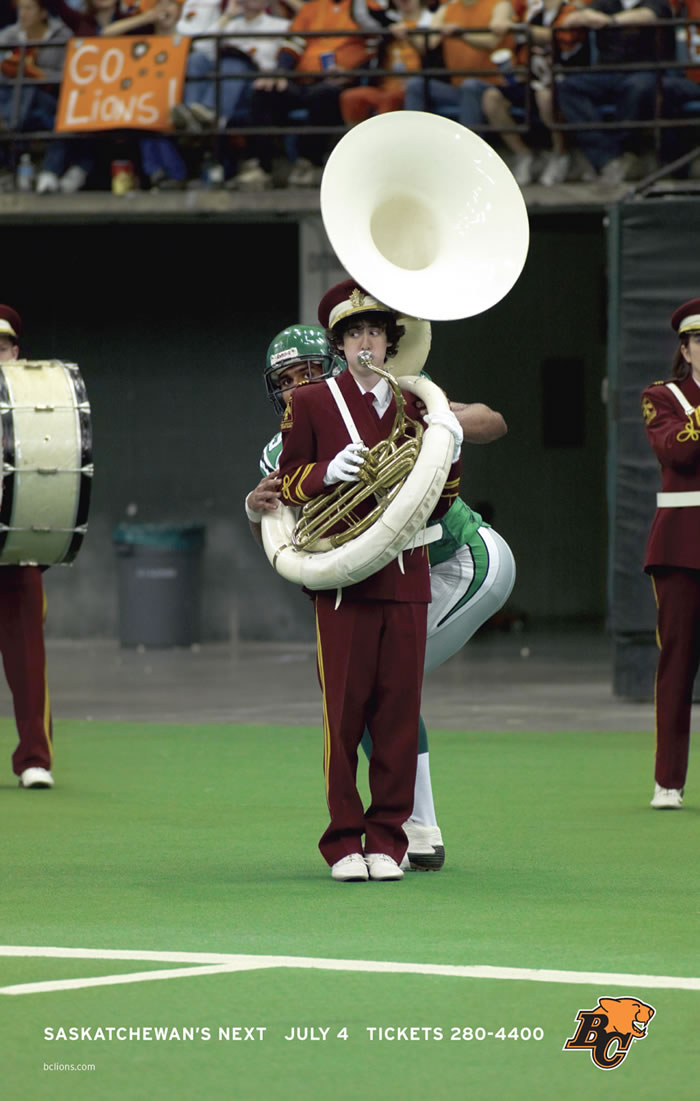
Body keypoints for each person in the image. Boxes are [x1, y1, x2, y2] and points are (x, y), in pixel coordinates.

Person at [247, 320, 516, 872]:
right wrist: (256, 508)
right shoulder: (284, 443)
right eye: (287, 380)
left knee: (378, 689)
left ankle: (415, 827)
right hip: (378, 580)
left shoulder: (393, 393)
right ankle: (403, 828)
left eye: (308, 372)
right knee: (365, 688)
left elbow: (493, 421)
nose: (298, 386)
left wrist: (445, 423)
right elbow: (280, 537)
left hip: (458, 559)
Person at [272, 283, 463, 881]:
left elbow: (437, 504)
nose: (365, 343)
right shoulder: (310, 401)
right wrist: (326, 472)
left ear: (389, 342)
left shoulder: (416, 405)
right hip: (342, 582)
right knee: (344, 716)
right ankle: (342, 843)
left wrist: (450, 454)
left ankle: (387, 841)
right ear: (339, 343)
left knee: (398, 716)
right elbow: (287, 483)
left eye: (375, 332)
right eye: (353, 333)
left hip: (406, 576)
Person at [640, 297, 700, 810]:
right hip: (682, 544)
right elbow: (676, 451)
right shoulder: (663, 396)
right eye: (699, 340)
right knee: (678, 661)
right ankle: (668, 781)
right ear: (685, 348)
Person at [229, 0, 376, 190]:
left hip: (342, 82)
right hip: (301, 79)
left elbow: (374, 47)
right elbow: (292, 44)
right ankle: (261, 167)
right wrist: (281, 72)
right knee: (263, 91)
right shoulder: (312, 8)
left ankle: (308, 163)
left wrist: (353, 73)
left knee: (325, 94)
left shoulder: (365, 6)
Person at [0, 305, 55, 790]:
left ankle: (35, 758)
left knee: (28, 660)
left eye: (0, 348)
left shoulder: (41, 406)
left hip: (16, 548)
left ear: (15, 353)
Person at [467, 0, 589, 186]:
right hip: (528, 80)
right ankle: (524, 154)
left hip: (561, 81)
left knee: (544, 96)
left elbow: (557, 36)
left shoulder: (571, 11)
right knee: (491, 98)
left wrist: (516, 27)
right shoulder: (534, 16)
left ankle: (560, 154)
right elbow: (523, 52)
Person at [556, 0, 674, 185]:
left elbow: (648, 15)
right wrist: (586, 16)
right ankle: (607, 158)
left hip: (645, 70)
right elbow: (571, 19)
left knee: (636, 87)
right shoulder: (606, 2)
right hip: (608, 71)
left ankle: (628, 152)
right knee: (568, 86)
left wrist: (610, 21)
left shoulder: (656, 2)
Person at [402, 0, 515, 131]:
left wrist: (463, 35)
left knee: (470, 85)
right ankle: (412, 136)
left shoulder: (499, 5)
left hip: (493, 85)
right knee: (415, 84)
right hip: (458, 88)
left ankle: (468, 142)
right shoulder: (446, 10)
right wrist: (407, 34)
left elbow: (492, 41)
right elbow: (428, 44)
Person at [0, 0, 70, 192]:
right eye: (20, 8)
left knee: (30, 87)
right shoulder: (7, 36)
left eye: (29, 8)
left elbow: (69, 75)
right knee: (19, 85)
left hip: (49, 101)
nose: (22, 13)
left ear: (43, 13)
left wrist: (37, 73)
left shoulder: (63, 36)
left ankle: (10, 123)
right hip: (10, 100)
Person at [338, 0, 432, 124]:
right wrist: (389, 30)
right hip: (385, 87)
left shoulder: (432, 21)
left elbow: (430, 53)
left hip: (415, 88)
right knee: (350, 97)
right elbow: (360, 16)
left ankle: (385, 136)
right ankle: (356, 135)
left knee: (389, 100)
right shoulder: (386, 22)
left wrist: (409, 36)